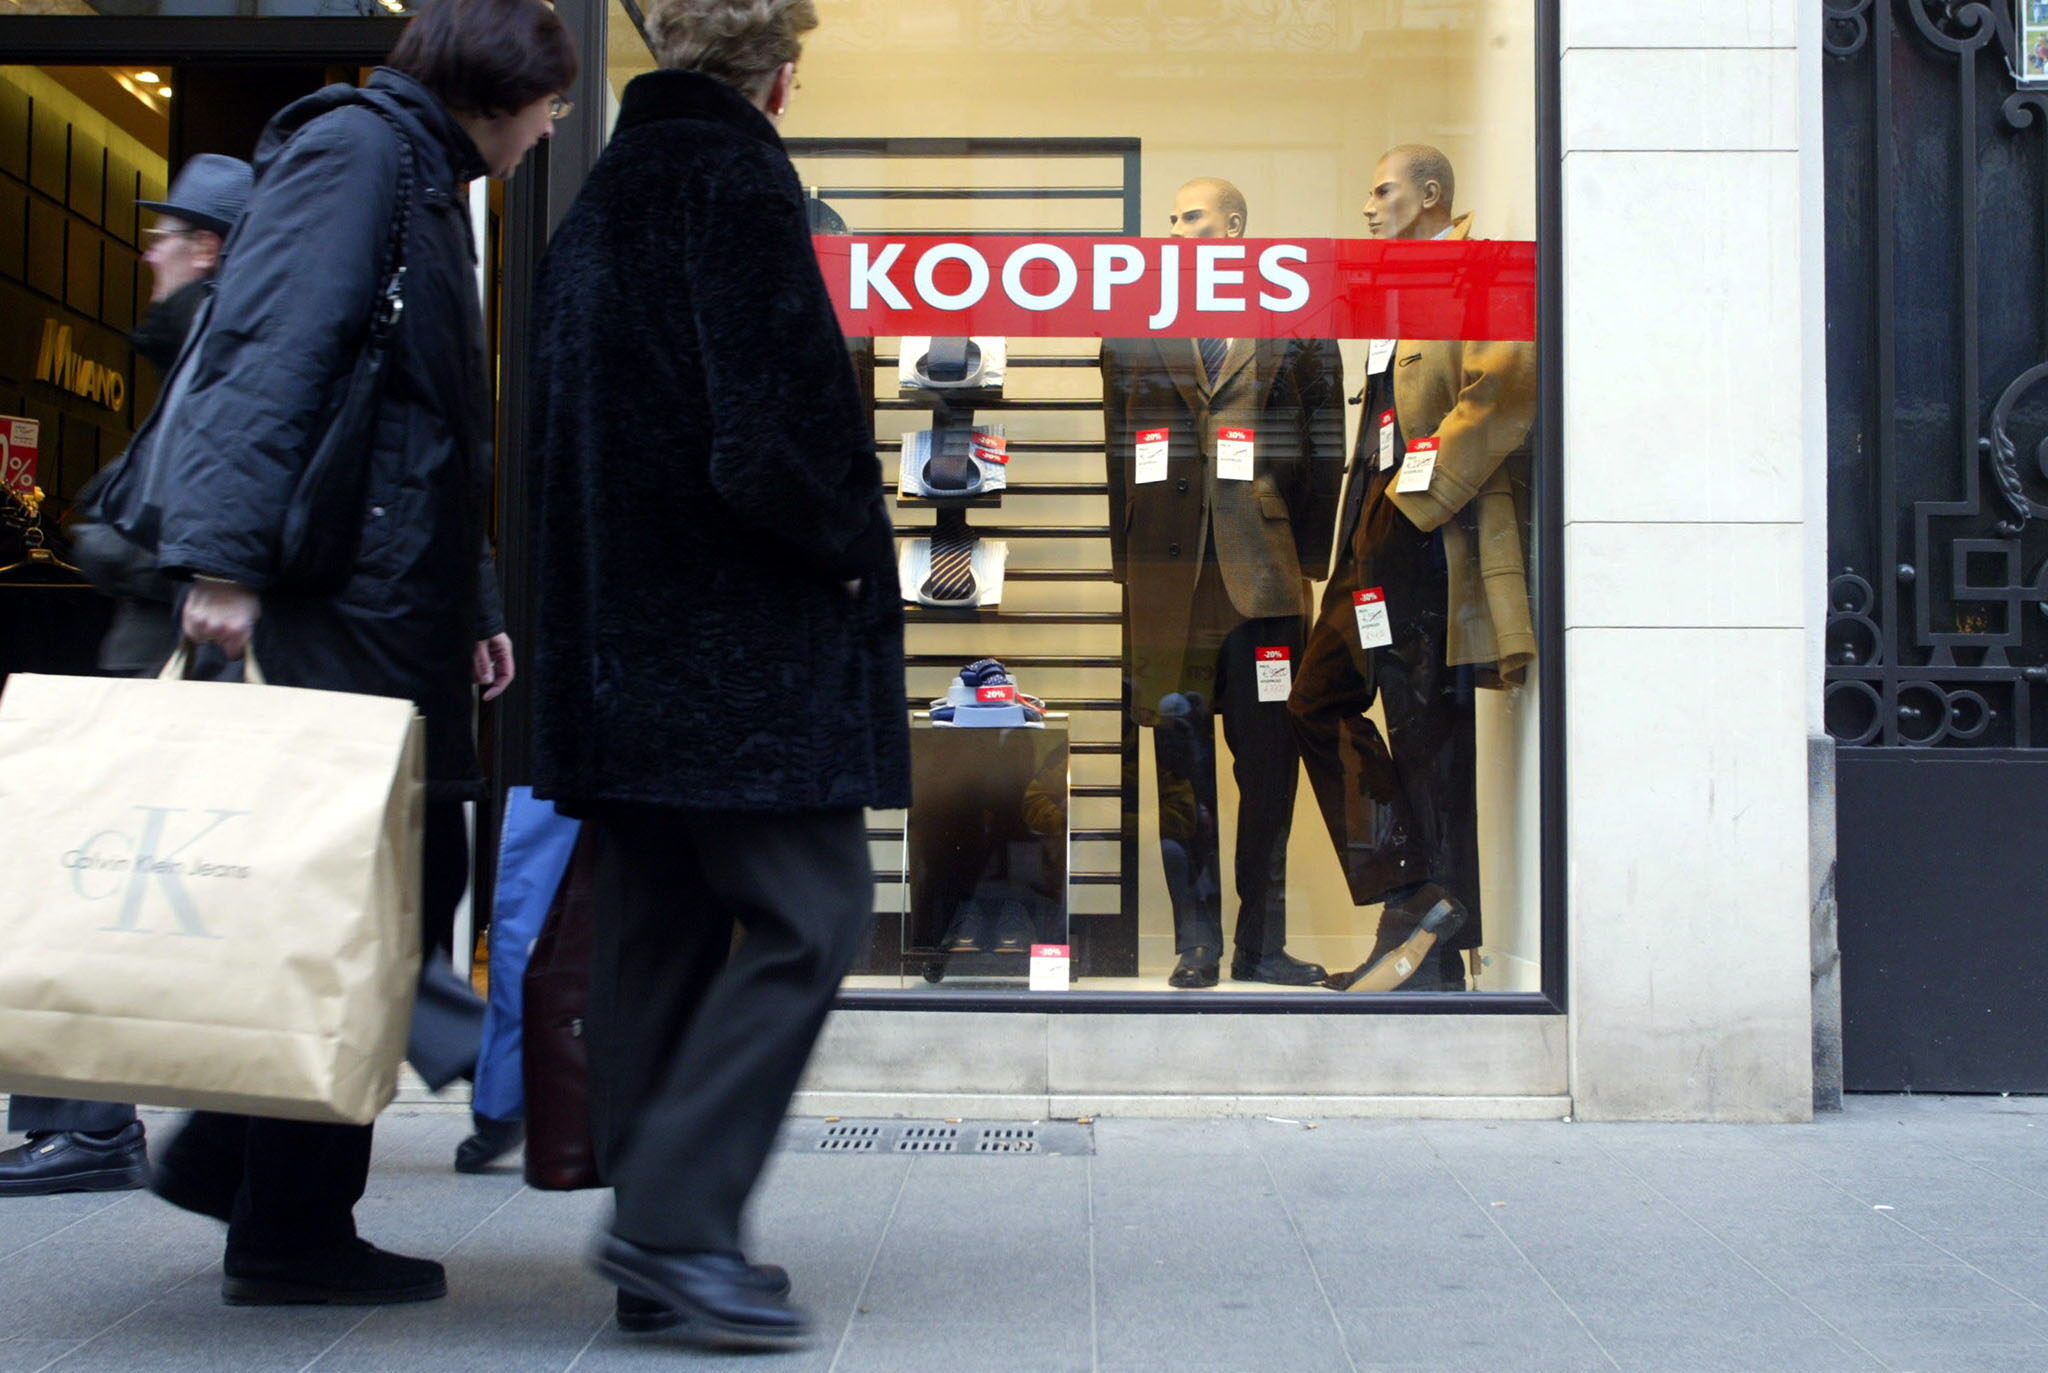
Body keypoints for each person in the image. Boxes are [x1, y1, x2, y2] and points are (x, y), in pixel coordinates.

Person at [140, 0, 575, 1306]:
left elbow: (427, 426)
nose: (551, 127)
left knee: (386, 895)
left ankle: (241, 1166)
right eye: (550, 102)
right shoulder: (358, 153)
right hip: (337, 601)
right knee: (360, 903)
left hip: (391, 599)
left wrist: (476, 598)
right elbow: (270, 350)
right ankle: (284, 1219)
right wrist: (223, 560)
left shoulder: (424, 177)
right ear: (499, 86)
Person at [528, 0, 908, 1350]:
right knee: (815, 908)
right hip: (740, 654)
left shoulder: (598, 198)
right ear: (781, 76)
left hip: (621, 646)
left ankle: (658, 1243)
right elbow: (776, 440)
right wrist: (855, 551)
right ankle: (677, 1223)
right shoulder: (738, 182)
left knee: (660, 926)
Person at [0, 153, 252, 1201]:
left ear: (208, 249)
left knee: (97, 884)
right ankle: (87, 1119)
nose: (148, 253)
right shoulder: (202, 341)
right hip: (167, 666)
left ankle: (89, 1124)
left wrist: (101, 536)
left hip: (167, 668)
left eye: (165, 236)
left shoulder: (218, 346)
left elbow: (170, 515)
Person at [1288, 144, 1536, 992]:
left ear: (1431, 194)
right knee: (1317, 698)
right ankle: (1413, 892)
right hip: (1372, 529)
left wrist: (1414, 502)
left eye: (1382, 189)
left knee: (1428, 731)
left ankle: (1429, 947)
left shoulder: (1477, 273)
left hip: (1433, 534)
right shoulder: (1393, 293)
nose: (1368, 206)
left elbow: (1503, 388)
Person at [1099, 177, 1346, 989]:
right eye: (1171, 220)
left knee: (1269, 765)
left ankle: (1262, 944)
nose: (1176, 231)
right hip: (1169, 579)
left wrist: (1306, 559)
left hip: (1261, 579)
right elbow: (1117, 447)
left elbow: (1324, 445)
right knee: (1180, 767)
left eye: (1194, 218)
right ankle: (1196, 941)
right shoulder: (1134, 324)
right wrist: (1128, 565)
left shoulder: (1294, 316)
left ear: (1236, 227)